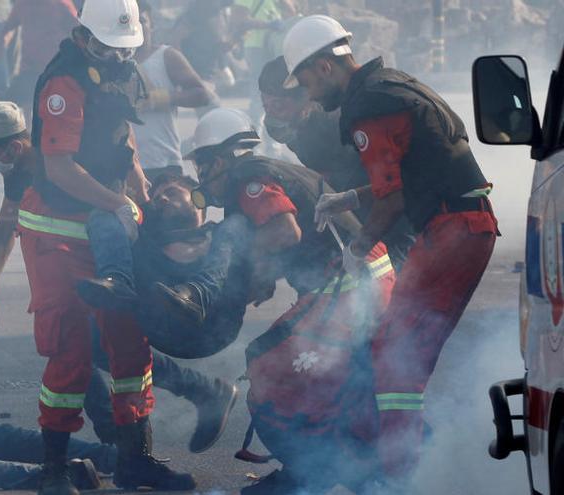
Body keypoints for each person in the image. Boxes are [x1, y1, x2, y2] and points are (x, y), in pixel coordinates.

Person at [282, 15, 499, 486]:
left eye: (304, 81)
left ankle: (398, 477)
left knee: (395, 358)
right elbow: (412, 171)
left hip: (452, 231)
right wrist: (353, 197)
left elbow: (396, 196)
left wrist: (357, 248)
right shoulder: (390, 84)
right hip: (461, 225)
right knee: (398, 351)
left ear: (323, 66)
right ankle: (407, 461)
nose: (309, 96)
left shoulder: (369, 106)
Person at [0, 101, 241, 457]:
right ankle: (133, 435)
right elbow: (5, 227)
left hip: (110, 263)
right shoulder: (17, 172)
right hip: (75, 270)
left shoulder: (67, 155)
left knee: (111, 349)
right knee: (78, 347)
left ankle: (162, 419)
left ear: (15, 146)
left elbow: (126, 159)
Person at [159, 108, 396, 494]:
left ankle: (307, 474)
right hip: (364, 278)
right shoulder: (271, 167)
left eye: (202, 167)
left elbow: (285, 232)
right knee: (339, 382)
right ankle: (358, 467)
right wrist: (262, 276)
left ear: (219, 160)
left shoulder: (248, 179)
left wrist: (242, 266)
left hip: (347, 286)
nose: (202, 178)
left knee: (267, 366)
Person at [22, 0, 196, 491]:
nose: (120, 58)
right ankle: (54, 471)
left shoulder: (121, 69)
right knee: (71, 348)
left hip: (108, 219)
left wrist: (138, 187)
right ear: (83, 39)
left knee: (129, 340)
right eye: (109, 49)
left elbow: (124, 138)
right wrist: (117, 203)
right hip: (56, 228)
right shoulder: (64, 84)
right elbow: (59, 168)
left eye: (127, 49)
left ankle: (136, 460)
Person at [258, 55, 414, 269]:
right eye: (266, 106)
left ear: (306, 99)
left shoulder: (341, 123)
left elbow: (394, 188)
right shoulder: (299, 127)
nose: (272, 115)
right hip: (360, 209)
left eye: (278, 105)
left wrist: (362, 241)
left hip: (393, 215)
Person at [132, 0, 215, 180]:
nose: (137, 27)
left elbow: (202, 95)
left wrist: (158, 98)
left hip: (163, 161)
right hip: (123, 165)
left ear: (152, 25)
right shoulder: (109, 61)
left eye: (142, 21)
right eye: (131, 21)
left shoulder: (166, 56)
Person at [0, 0, 78, 124]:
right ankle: (30, 129)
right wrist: (1, 43)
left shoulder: (61, 3)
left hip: (54, 63)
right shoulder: (23, 4)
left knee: (54, 100)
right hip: (29, 63)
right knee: (27, 97)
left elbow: (76, 28)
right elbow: (9, 25)